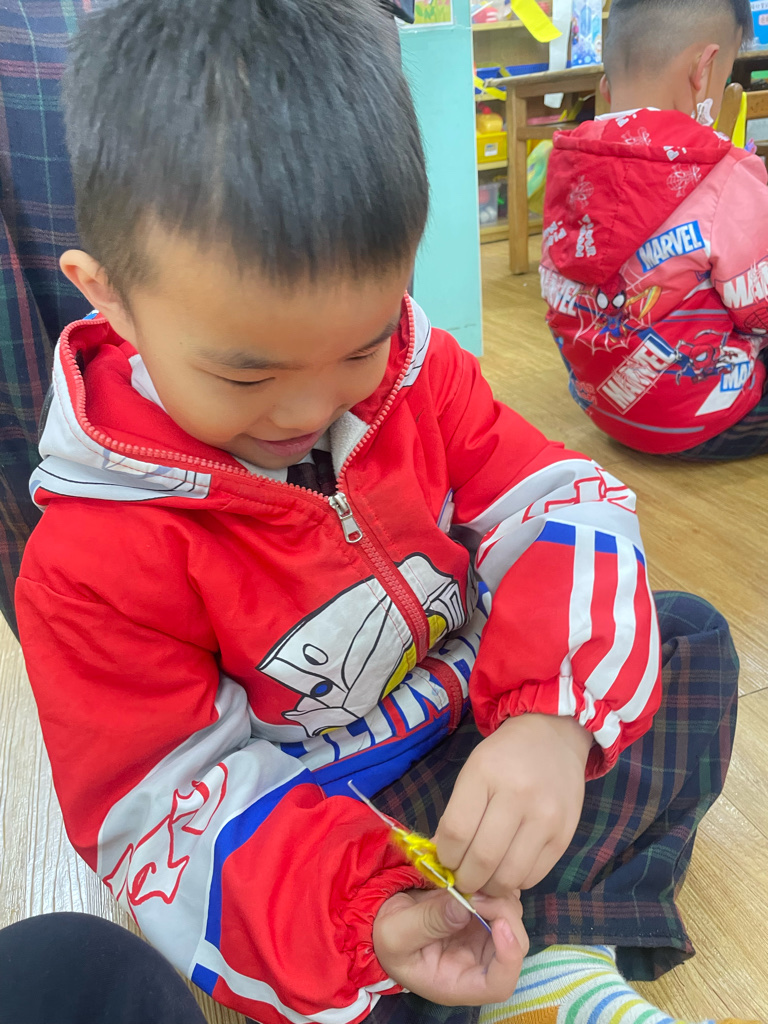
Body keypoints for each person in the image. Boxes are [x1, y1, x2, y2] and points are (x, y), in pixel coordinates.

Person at [14, 1, 752, 1023]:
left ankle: (545, 957)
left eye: (359, 346)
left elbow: (559, 502)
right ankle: (530, 946)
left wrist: (551, 719)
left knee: (691, 642)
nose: (310, 409)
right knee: (355, 957)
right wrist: (372, 913)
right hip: (336, 815)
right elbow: (162, 814)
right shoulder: (88, 561)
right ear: (112, 301)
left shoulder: (419, 373)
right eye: (247, 375)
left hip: (480, 716)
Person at [539, 0, 768, 460]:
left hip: (608, 412)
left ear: (605, 88)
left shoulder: (565, 166)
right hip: (712, 423)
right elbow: (759, 310)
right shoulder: (724, 170)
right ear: (703, 71)